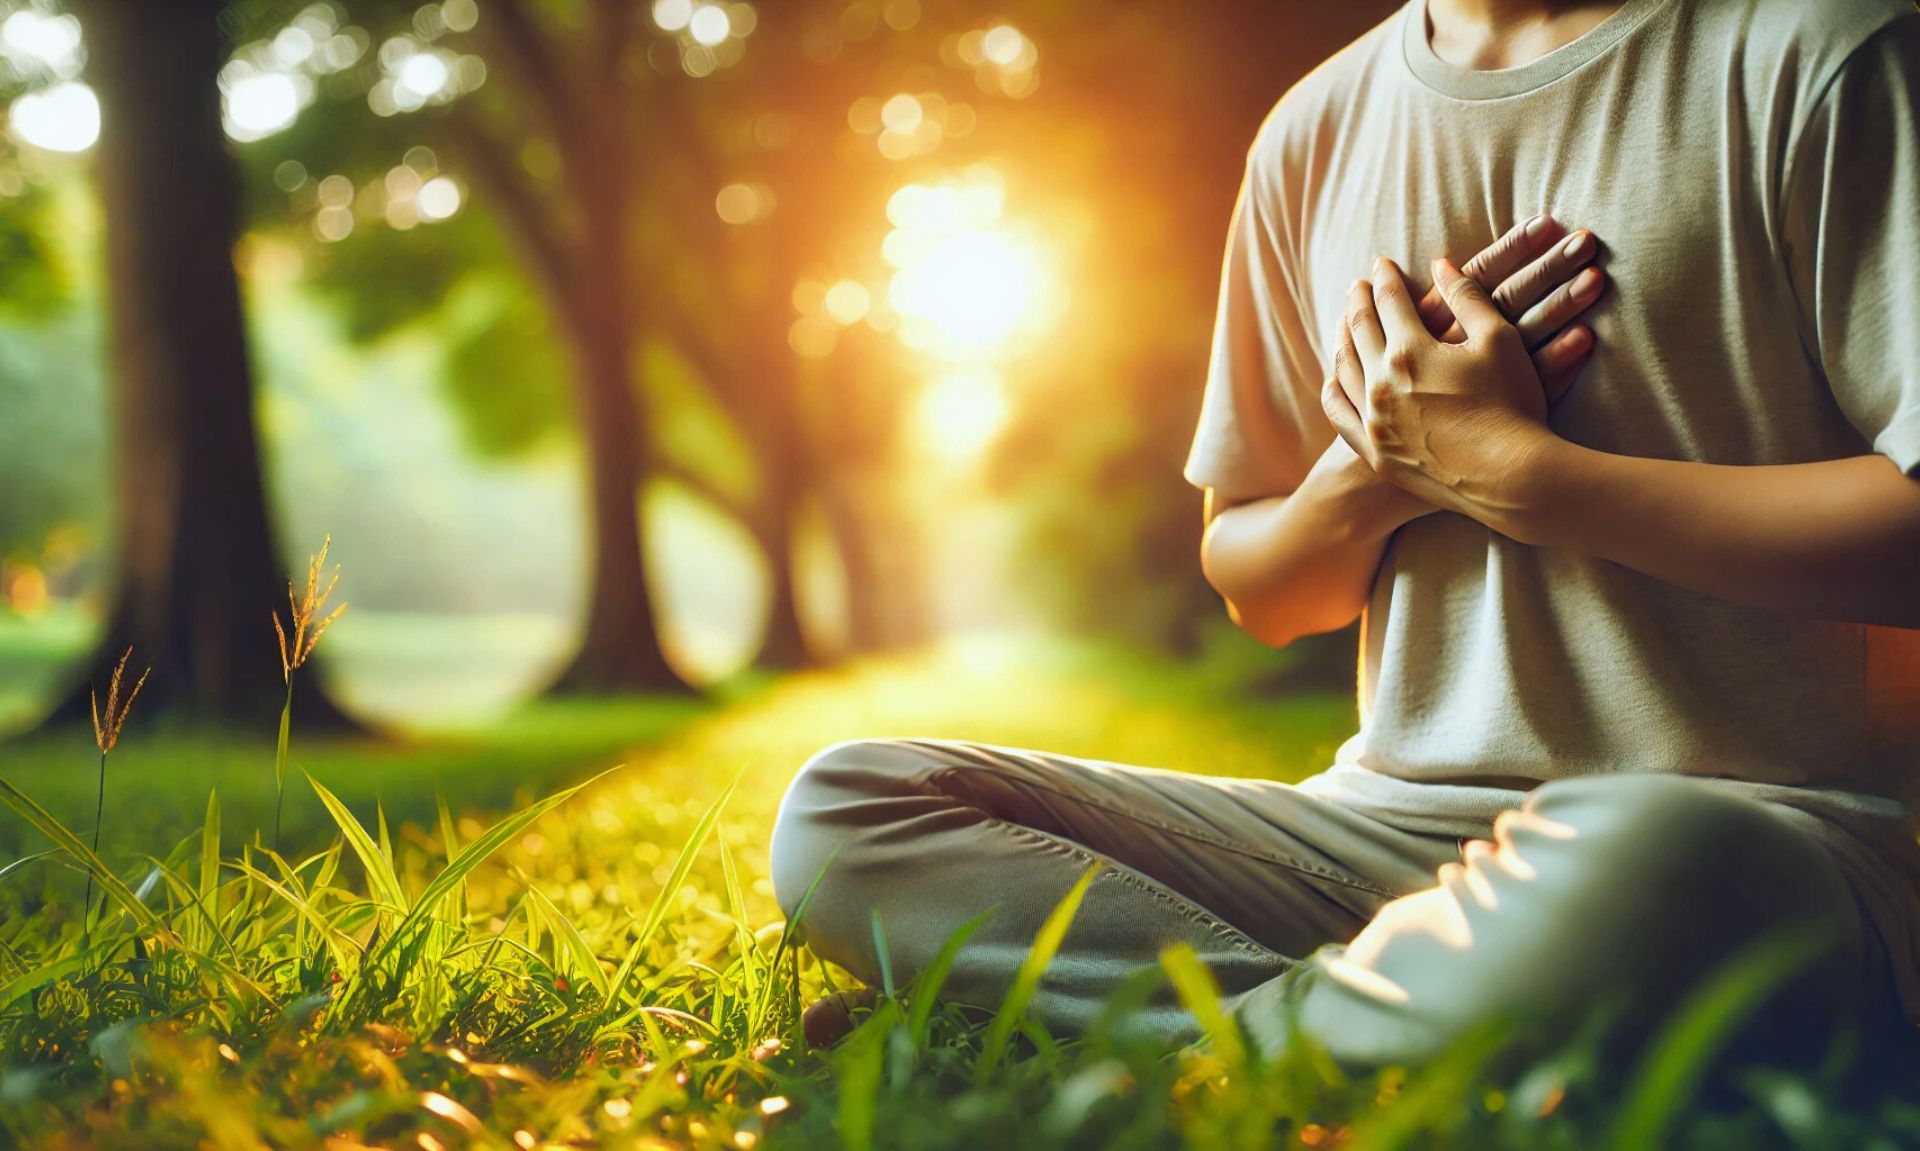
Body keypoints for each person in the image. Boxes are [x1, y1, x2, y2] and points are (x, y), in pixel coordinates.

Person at [770, 0, 1920, 1067]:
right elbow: (1263, 588)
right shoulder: (1313, 128)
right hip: (1373, 836)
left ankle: (1162, 1034)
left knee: (1644, 858)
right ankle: (1358, 1019)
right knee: (852, 806)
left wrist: (1524, 475)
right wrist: (1383, 465)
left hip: (1759, 834)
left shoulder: (1827, 56)